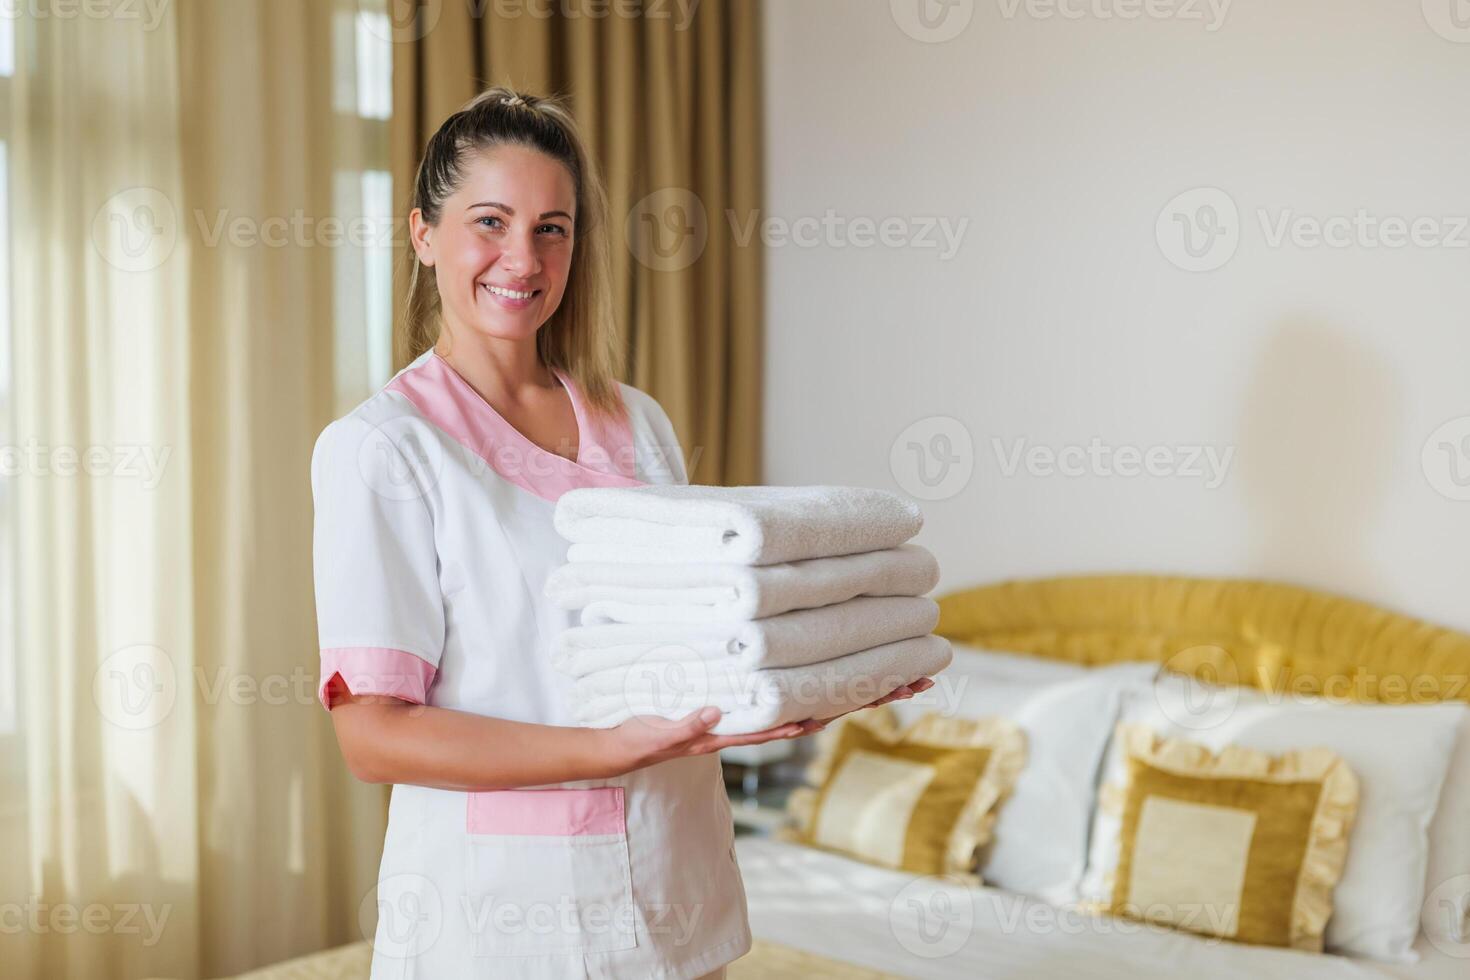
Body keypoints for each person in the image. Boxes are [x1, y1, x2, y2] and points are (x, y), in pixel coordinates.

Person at [310, 86, 933, 978]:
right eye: (489, 221)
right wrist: (613, 749)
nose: (521, 258)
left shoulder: (634, 422)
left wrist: (788, 686)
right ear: (422, 235)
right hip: (504, 918)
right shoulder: (382, 450)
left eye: (551, 228)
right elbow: (373, 735)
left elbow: (692, 637)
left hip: (678, 891)